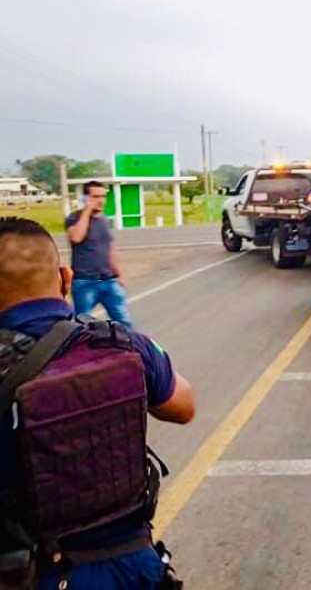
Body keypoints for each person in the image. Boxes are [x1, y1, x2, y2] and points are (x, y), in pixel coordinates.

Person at [0, 217, 196, 589]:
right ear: (65, 278)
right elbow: (184, 407)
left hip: (35, 574)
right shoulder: (123, 343)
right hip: (137, 568)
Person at [66, 181, 132, 328]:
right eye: (95, 196)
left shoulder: (104, 220)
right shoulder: (74, 218)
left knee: (124, 322)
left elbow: (110, 248)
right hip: (85, 282)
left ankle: (131, 349)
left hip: (109, 280)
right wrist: (87, 212)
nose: (101, 200)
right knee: (81, 324)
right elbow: (76, 237)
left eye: (103, 196)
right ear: (85, 198)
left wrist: (119, 274)